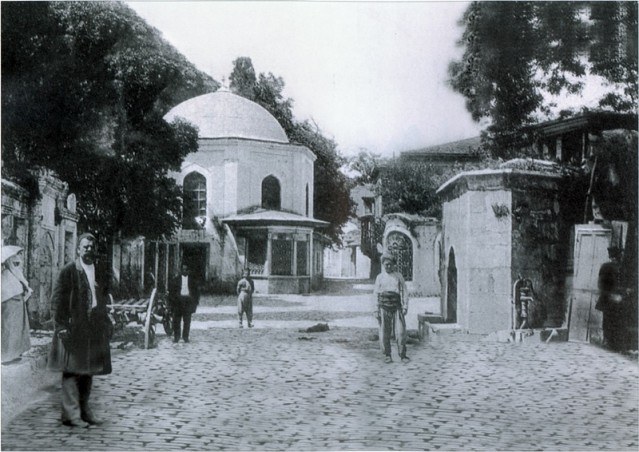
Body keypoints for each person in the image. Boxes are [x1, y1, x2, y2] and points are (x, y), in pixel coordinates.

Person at [47, 233, 112, 427]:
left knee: (88, 370)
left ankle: (85, 411)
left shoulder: (100, 271)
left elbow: (103, 297)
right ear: (78, 250)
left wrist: (105, 318)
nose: (89, 250)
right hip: (73, 327)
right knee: (71, 370)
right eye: (85, 247)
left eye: (92, 247)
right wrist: (61, 326)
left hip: (93, 327)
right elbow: (57, 300)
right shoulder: (69, 271)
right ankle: (71, 415)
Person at [374, 252, 409, 363]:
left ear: (394, 265)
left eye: (390, 264)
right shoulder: (380, 277)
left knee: (400, 332)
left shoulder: (399, 276)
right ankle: (387, 355)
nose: (388, 266)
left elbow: (404, 291)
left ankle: (402, 355)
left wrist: (405, 306)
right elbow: (376, 294)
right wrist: (376, 309)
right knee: (385, 332)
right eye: (386, 265)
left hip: (397, 306)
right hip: (383, 306)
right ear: (383, 265)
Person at [2, 245, 32, 364]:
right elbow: (5, 292)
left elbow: (22, 285)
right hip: (10, 306)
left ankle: (15, 353)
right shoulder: (5, 275)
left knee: (18, 329)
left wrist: (25, 290)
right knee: (9, 330)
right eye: (15, 263)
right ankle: (6, 356)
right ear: (9, 262)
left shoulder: (15, 273)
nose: (17, 265)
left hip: (18, 305)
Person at [596, 246, 627, 351]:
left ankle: (613, 343)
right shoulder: (607, 267)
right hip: (609, 299)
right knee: (608, 321)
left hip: (616, 299)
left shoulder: (619, 267)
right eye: (616, 256)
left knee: (614, 321)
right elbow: (601, 284)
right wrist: (610, 295)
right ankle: (609, 342)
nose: (617, 258)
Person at [168, 263, 200, 343]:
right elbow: (172, 292)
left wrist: (195, 302)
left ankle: (186, 337)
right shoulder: (176, 280)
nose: (184, 271)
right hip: (178, 302)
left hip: (188, 301)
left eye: (186, 270)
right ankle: (177, 337)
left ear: (189, 271)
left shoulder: (192, 280)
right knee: (176, 320)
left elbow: (196, 292)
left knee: (187, 321)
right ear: (181, 270)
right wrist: (173, 302)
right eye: (183, 269)